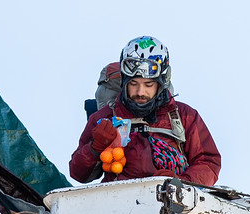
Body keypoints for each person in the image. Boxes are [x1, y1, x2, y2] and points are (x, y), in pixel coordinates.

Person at [70, 36, 222, 185]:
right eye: (134, 83)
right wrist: (94, 148)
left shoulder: (184, 116)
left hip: (172, 206)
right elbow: (79, 174)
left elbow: (209, 162)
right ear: (124, 81)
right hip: (117, 204)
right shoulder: (104, 118)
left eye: (148, 84)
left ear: (161, 83)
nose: (140, 92)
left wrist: (180, 183)